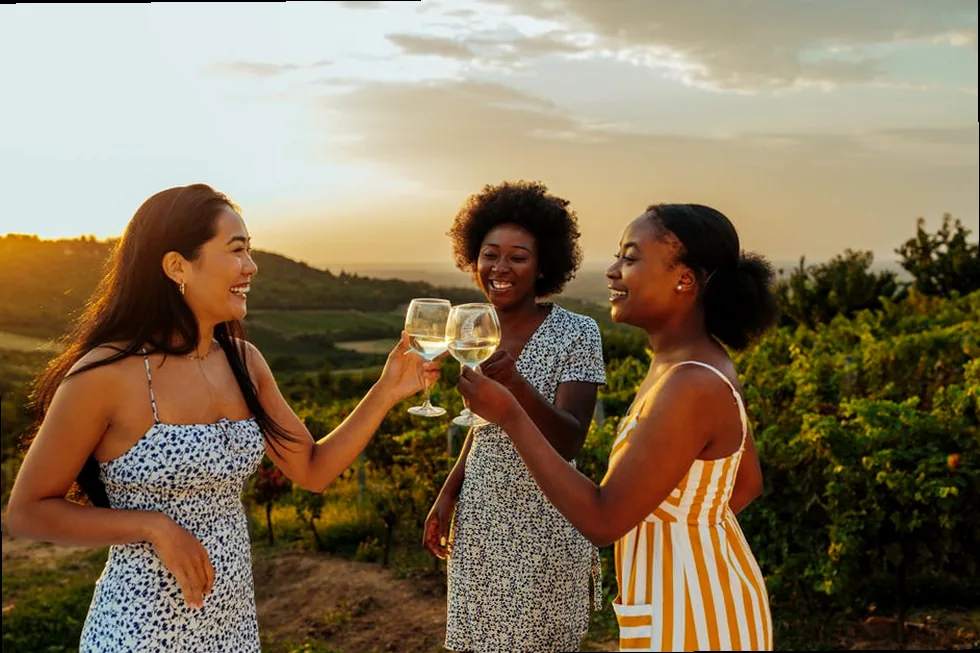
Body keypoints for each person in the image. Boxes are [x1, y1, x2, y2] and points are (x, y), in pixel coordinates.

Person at [5, 183, 440, 652]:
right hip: (139, 629)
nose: (251, 266)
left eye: (250, 250)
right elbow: (28, 512)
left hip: (230, 624)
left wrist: (386, 391)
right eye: (237, 250)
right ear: (177, 267)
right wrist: (152, 526)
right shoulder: (105, 374)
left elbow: (312, 469)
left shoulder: (244, 362)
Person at [458, 203, 778, 652]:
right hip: (686, 599)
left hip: (692, 615)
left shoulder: (690, 382)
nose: (611, 272)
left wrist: (511, 415)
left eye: (629, 258)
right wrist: (685, 529)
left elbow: (602, 519)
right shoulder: (688, 362)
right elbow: (745, 484)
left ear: (684, 279)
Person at [423, 180, 607, 652]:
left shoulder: (577, 332)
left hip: (545, 520)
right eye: (490, 254)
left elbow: (570, 442)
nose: (500, 268)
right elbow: (481, 426)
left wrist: (517, 386)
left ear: (543, 265)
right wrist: (449, 493)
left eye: (518, 257)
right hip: (482, 517)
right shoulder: (475, 327)